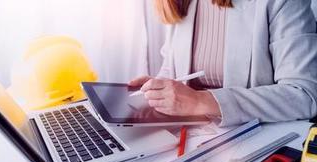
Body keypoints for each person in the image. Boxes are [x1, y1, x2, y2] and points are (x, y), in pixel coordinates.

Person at [128, 0, 317, 126]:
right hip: (192, 134)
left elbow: (304, 95)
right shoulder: (181, 2)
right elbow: (172, 68)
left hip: (253, 141)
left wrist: (200, 101)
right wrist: (159, 88)